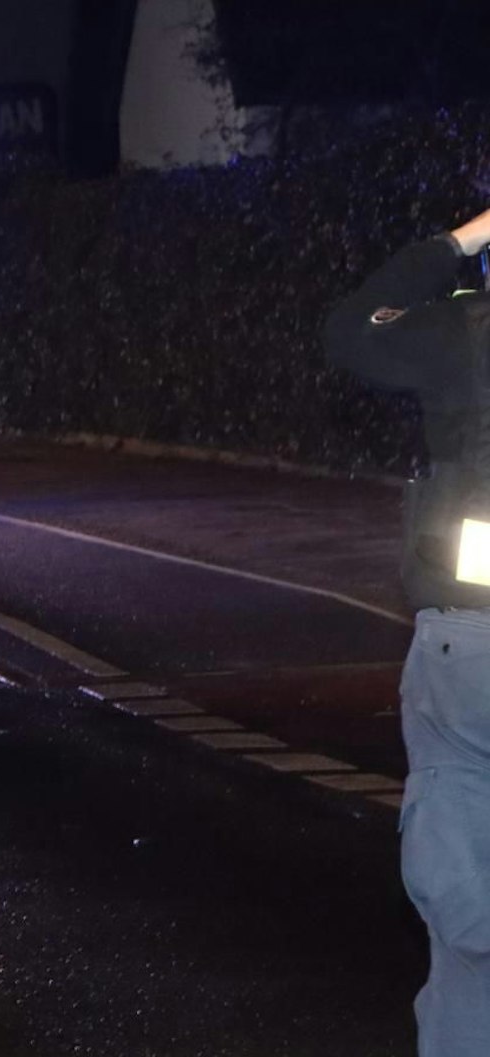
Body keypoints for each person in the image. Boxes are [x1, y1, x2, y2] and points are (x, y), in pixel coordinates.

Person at [326, 206, 490, 1056]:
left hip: (471, 649)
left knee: (468, 921)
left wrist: (457, 242)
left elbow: (352, 330)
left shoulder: (465, 334)